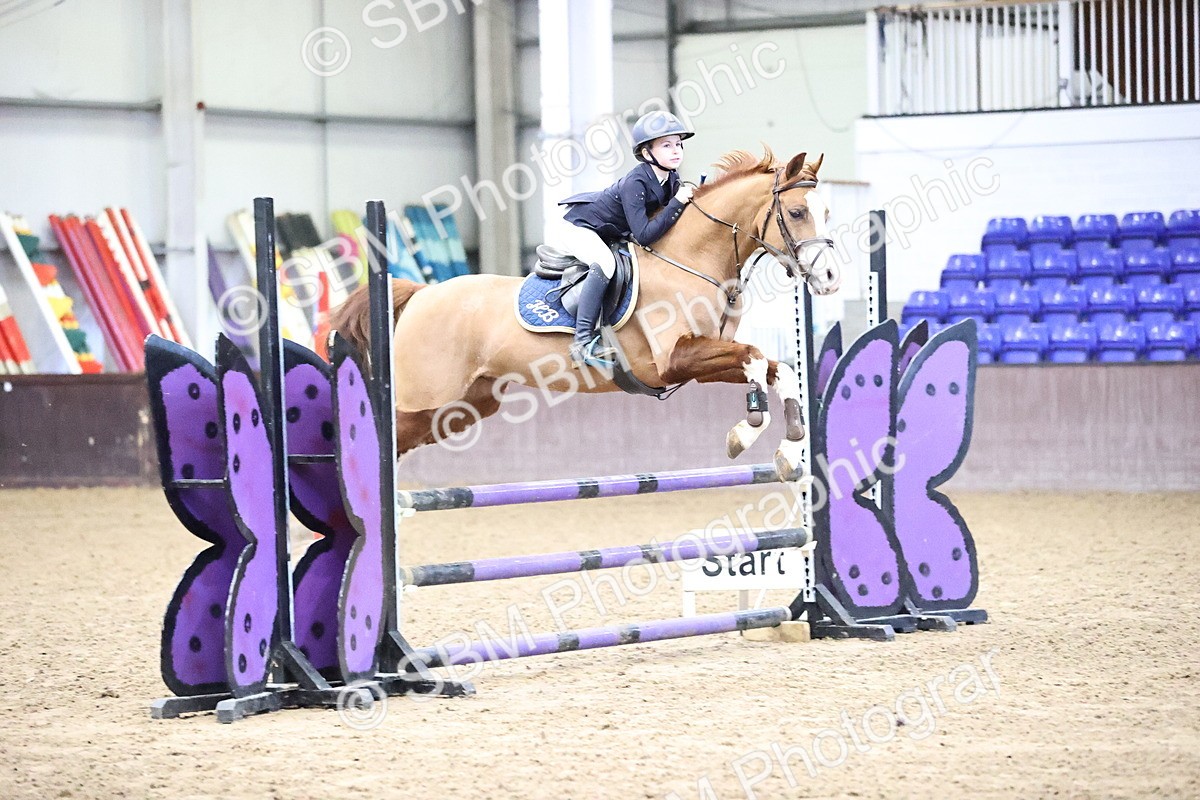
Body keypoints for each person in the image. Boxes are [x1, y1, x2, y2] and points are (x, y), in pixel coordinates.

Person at [556, 110, 696, 367]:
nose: (676, 151)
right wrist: (677, 202)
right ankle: (583, 342)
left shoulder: (671, 179)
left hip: (608, 231)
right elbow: (644, 235)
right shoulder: (636, 182)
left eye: (678, 144)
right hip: (578, 227)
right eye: (666, 145)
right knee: (605, 263)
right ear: (646, 153)